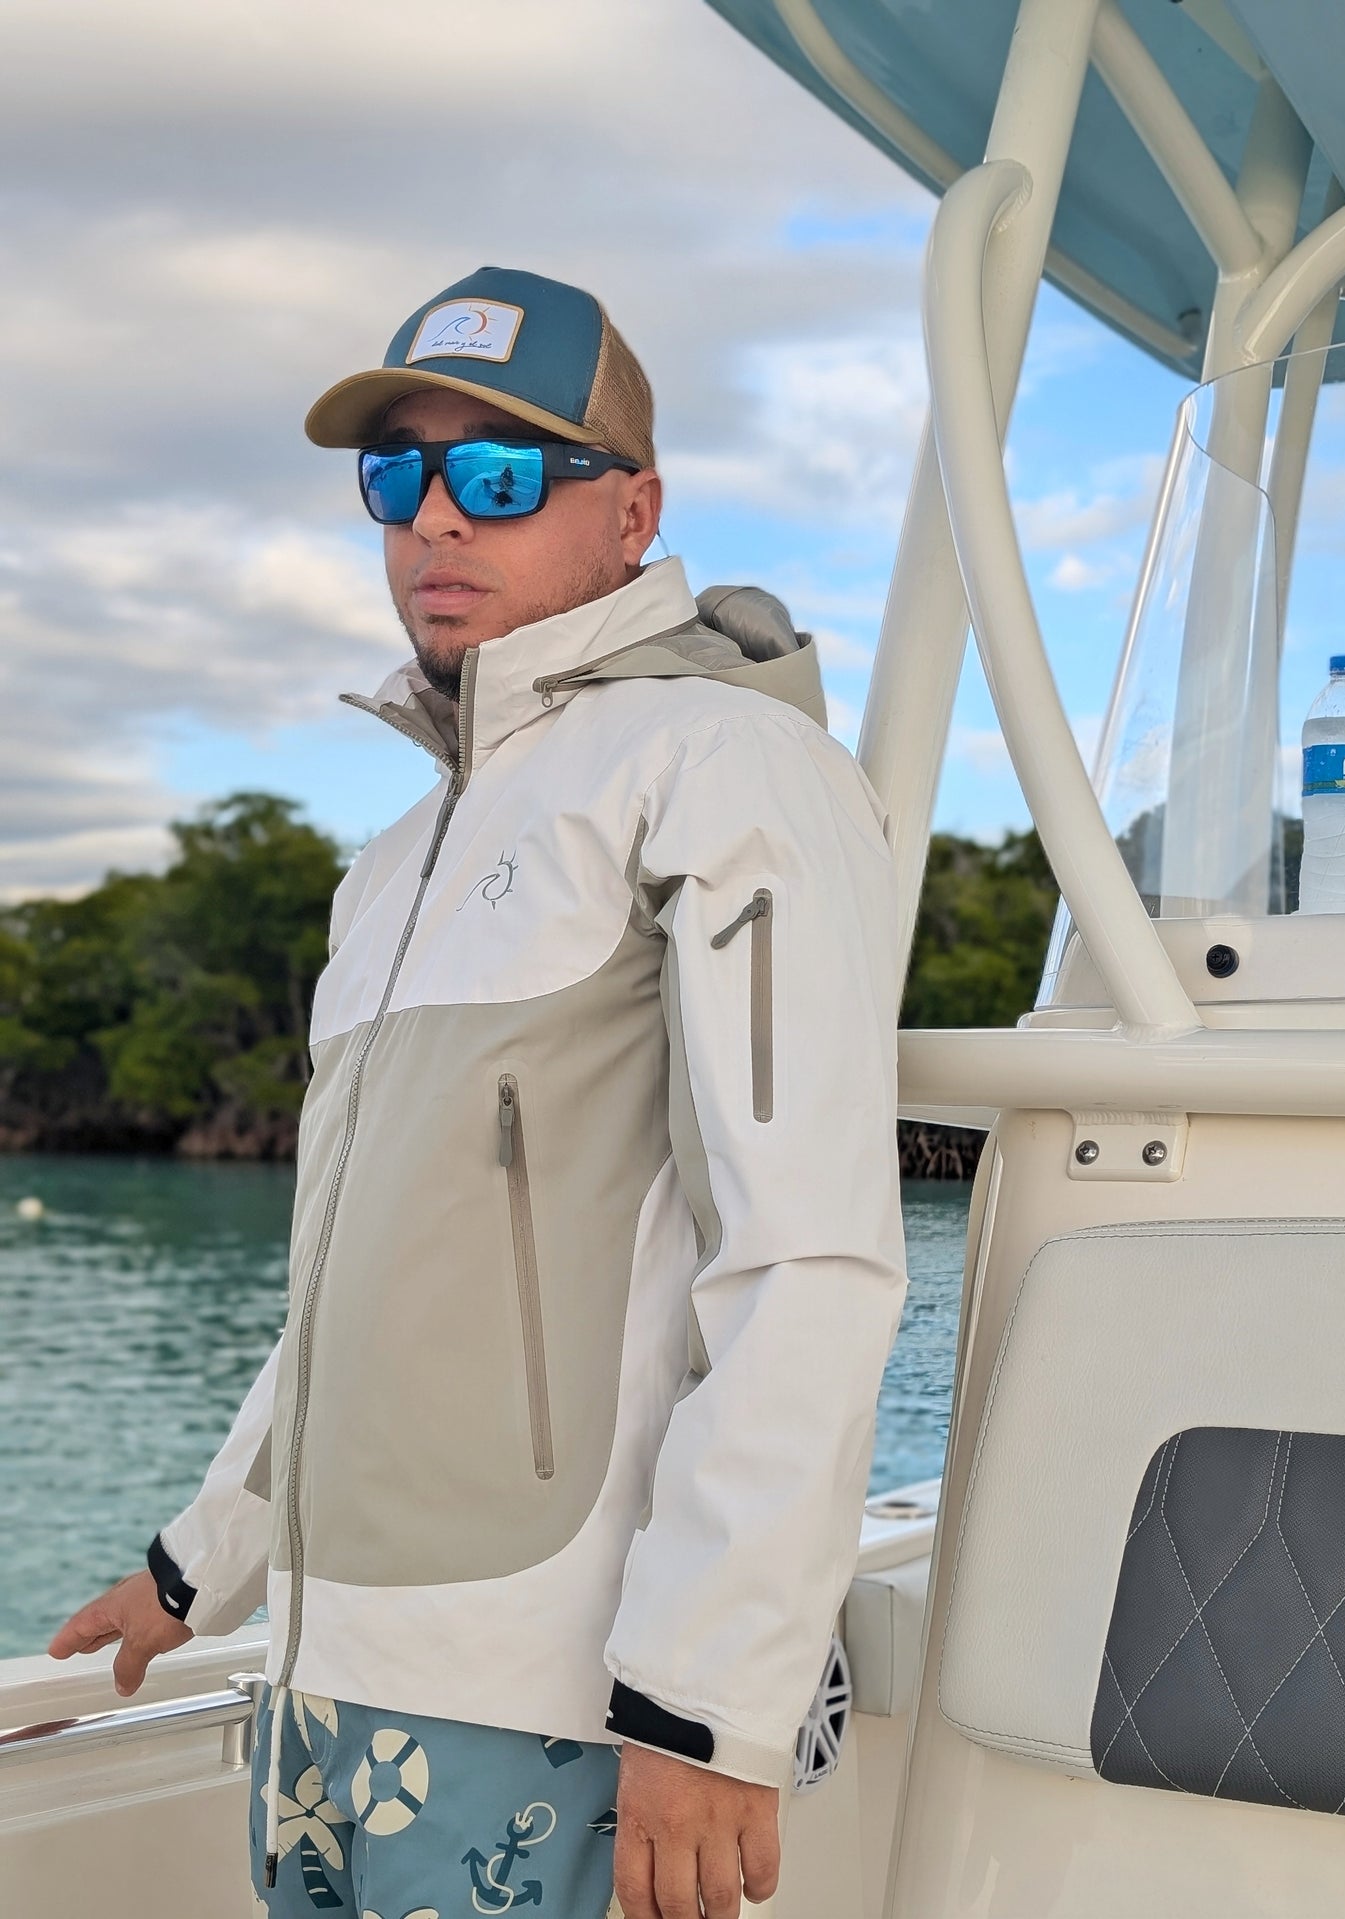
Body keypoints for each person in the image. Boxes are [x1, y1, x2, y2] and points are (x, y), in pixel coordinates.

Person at [51, 266, 907, 1919]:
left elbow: (806, 1260)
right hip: (320, 1677)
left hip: (550, 1695)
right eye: (398, 475)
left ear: (633, 509)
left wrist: (705, 1702)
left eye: (501, 473)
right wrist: (194, 1568)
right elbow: (347, 1289)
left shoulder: (727, 766)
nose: (438, 516)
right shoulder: (385, 868)